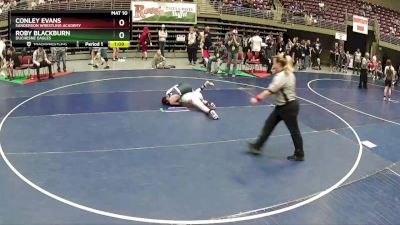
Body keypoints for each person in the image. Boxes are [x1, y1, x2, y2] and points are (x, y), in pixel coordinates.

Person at [248, 54, 304, 161]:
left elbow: (269, 91)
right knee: (269, 125)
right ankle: (257, 146)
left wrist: (257, 98)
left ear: (279, 63)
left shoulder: (282, 76)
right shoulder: (289, 73)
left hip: (287, 108)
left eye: (274, 62)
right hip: (283, 106)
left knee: (294, 130)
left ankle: (299, 154)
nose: (273, 64)